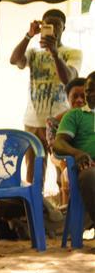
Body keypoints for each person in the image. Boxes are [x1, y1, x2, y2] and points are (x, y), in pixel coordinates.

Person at [10, 8, 82, 183]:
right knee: (33, 176)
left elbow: (68, 79)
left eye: (57, 25)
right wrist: (29, 35)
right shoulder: (34, 53)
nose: (53, 29)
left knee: (64, 173)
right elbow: (14, 60)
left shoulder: (72, 53)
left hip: (60, 120)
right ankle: (37, 209)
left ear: (63, 28)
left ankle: (64, 206)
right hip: (32, 121)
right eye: (49, 24)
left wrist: (55, 53)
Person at [53, 72, 95, 224]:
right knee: (90, 176)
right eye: (88, 90)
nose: (90, 94)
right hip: (89, 165)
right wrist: (77, 153)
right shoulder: (74, 115)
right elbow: (58, 143)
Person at [47, 77, 87, 206]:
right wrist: (67, 162)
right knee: (68, 172)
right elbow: (54, 150)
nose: (79, 100)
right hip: (67, 162)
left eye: (84, 96)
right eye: (75, 96)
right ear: (68, 98)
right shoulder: (56, 121)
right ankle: (68, 213)